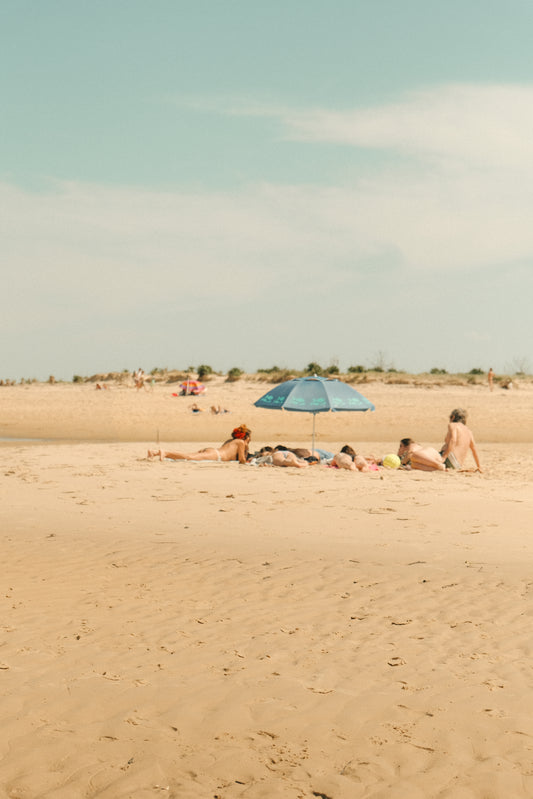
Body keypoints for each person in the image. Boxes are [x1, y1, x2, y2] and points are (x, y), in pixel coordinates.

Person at [148, 425, 251, 464]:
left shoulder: (230, 441)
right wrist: (246, 445)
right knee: (188, 457)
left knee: (188, 455)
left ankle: (155, 452)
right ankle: (164, 452)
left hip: (212, 451)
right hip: (216, 455)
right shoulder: (241, 442)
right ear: (245, 437)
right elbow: (242, 460)